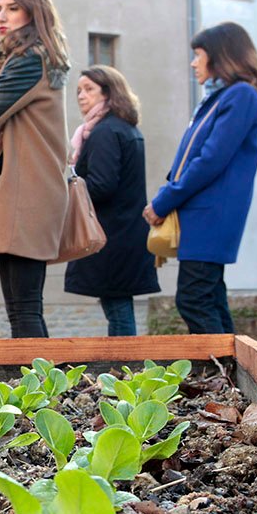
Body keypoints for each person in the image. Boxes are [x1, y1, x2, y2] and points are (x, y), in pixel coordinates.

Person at [144, 22, 257, 334]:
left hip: (211, 216)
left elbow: (209, 160)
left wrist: (164, 199)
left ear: (221, 57)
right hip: (205, 216)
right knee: (210, 300)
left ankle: (217, 376)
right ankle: (228, 376)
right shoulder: (223, 98)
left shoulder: (240, 96)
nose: (193, 63)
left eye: (199, 55)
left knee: (193, 300)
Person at [0, 0, 70, 339]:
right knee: (20, 307)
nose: (2, 16)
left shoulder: (29, 59)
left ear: (33, 11)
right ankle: (34, 386)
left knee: (24, 307)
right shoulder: (23, 58)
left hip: (27, 190)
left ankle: (41, 391)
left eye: (12, 8)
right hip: (22, 186)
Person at [64, 66, 159, 336]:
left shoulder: (106, 131)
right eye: (79, 90)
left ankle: (126, 370)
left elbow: (102, 185)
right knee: (118, 306)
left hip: (112, 236)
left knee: (118, 311)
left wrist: (71, 190)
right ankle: (127, 369)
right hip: (123, 233)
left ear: (109, 93)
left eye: (89, 89)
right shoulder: (124, 128)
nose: (81, 95)